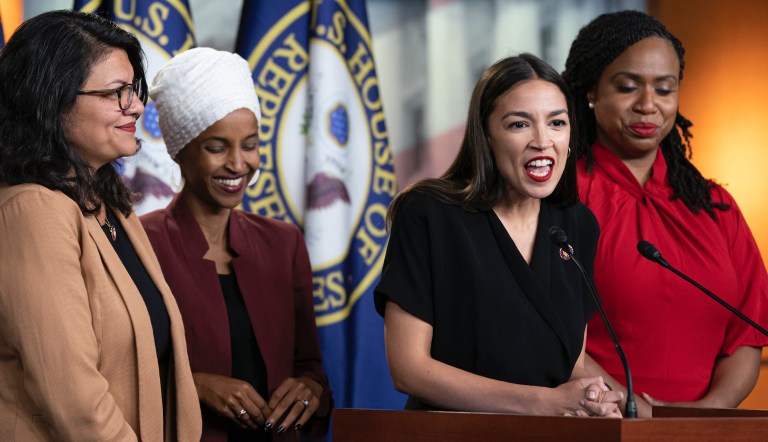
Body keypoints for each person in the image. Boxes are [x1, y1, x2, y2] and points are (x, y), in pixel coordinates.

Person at [374, 54, 623, 417]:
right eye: (519, 124)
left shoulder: (577, 225)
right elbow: (409, 369)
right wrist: (544, 403)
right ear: (486, 135)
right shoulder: (428, 213)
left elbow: (570, 366)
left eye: (557, 123)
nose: (542, 140)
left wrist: (592, 399)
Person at [0, 10, 201, 441]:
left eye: (135, 90)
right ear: (51, 100)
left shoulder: (109, 204)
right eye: (117, 93)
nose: (138, 107)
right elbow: (77, 404)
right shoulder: (32, 211)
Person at [562, 10, 768, 417]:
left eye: (665, 89)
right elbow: (551, 334)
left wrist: (706, 415)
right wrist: (631, 408)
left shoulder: (715, 206)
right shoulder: (561, 198)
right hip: (597, 423)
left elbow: (748, 334)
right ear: (591, 92)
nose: (648, 105)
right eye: (627, 87)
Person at [141, 47, 332, 441]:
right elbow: (118, 370)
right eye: (217, 147)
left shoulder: (284, 243)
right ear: (180, 150)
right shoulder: (142, 243)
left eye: (250, 144)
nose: (238, 164)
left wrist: (310, 390)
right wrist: (194, 384)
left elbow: (309, 367)